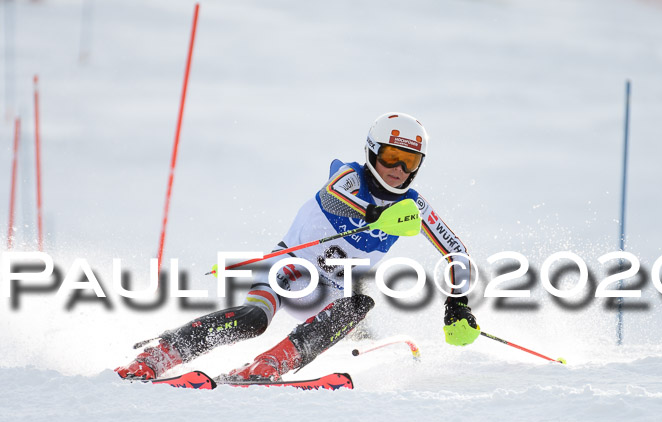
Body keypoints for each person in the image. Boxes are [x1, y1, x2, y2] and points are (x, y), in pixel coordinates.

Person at [116, 112, 480, 382]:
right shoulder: (350, 176)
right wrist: (372, 212)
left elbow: (456, 252)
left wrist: (457, 302)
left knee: (358, 305)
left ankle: (270, 364)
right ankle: (161, 353)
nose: (398, 169)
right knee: (254, 319)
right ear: (372, 152)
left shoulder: (414, 207)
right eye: (389, 157)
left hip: (326, 295)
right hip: (288, 270)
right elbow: (333, 194)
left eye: (410, 161)